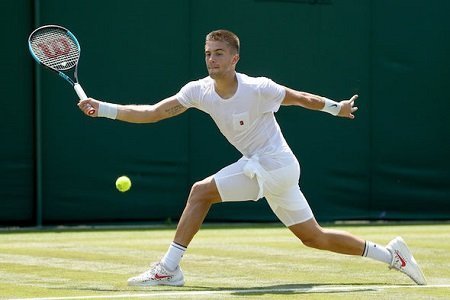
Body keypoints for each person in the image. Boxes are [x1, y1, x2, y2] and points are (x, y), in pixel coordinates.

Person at [78, 29, 426, 286]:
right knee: (314, 237)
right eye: (207, 53)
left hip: (274, 164)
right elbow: (152, 113)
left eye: (218, 53)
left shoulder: (259, 88)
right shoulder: (197, 90)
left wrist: (338, 109)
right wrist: (105, 109)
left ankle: (169, 268)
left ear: (234, 59)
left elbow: (301, 97)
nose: (211, 59)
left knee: (201, 192)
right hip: (272, 171)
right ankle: (392, 254)